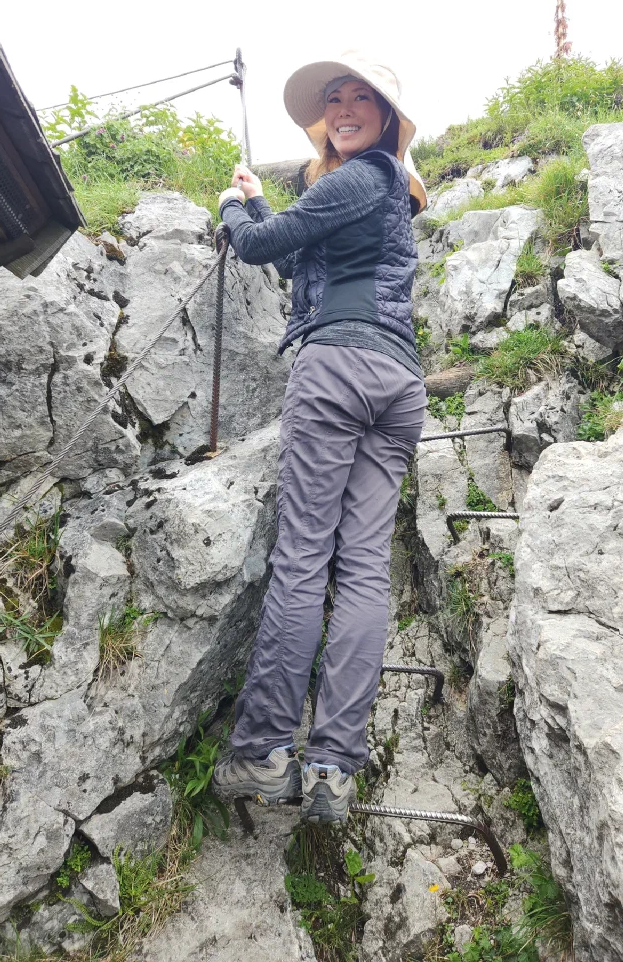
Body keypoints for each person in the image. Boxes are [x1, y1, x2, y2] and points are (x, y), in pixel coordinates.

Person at [212, 52, 428, 823]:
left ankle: (265, 750)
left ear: (386, 119)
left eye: (360, 97)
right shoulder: (382, 190)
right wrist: (261, 201)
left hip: (337, 369)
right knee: (363, 568)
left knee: (304, 557)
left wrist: (233, 210)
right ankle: (334, 765)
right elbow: (302, 247)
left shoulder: (363, 173)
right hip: (398, 386)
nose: (342, 107)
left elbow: (260, 246)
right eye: (333, 98)